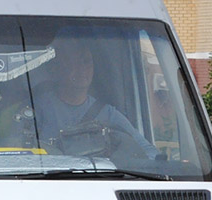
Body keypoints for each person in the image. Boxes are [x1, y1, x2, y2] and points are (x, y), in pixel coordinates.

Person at [26, 46, 159, 159]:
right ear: (57, 68)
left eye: (86, 61)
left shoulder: (107, 113)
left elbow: (148, 152)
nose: (82, 68)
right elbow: (16, 151)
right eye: (73, 62)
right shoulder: (37, 108)